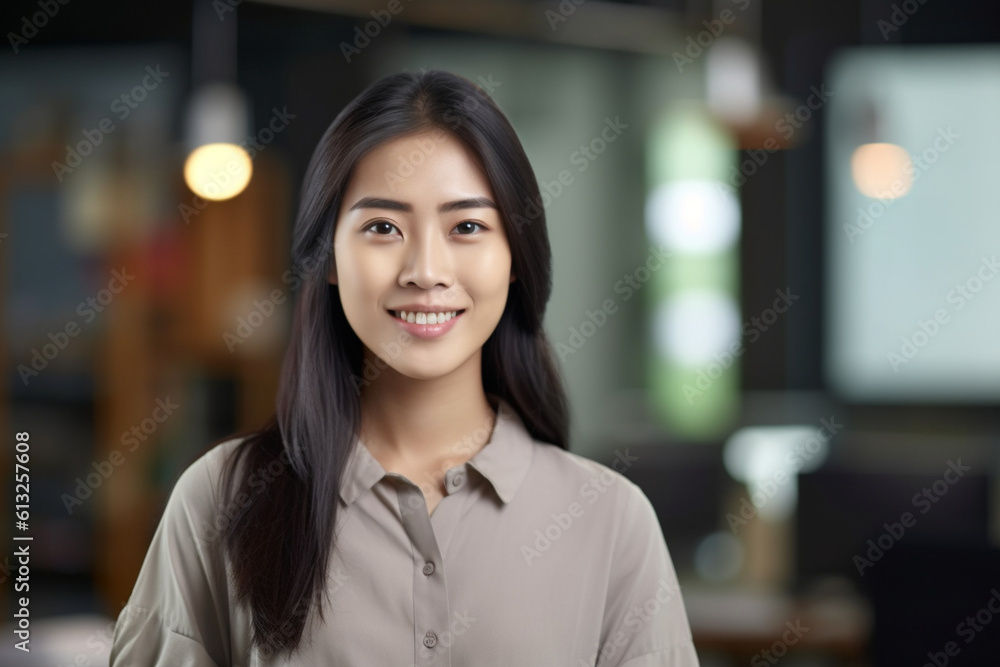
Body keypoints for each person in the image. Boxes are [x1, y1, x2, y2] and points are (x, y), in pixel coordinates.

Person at [110, 68, 699, 666]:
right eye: (383, 227)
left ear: (515, 258)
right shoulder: (220, 499)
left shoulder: (611, 520)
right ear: (329, 257)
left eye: (467, 226)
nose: (425, 271)